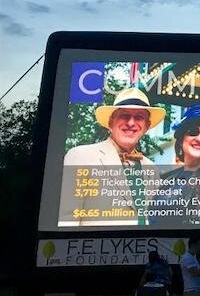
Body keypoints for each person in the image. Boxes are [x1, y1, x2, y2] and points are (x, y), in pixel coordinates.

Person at [59, 87, 166, 226]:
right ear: (110, 122)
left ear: (146, 126)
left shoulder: (152, 169)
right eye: (125, 115)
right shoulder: (81, 156)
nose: (131, 123)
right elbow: (67, 219)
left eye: (139, 117)